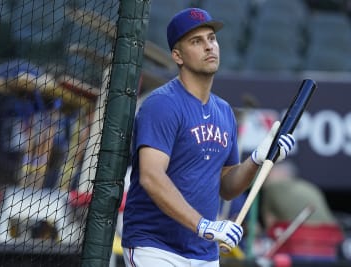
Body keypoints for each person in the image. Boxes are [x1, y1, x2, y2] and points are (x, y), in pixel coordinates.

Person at [121, 7, 295, 267]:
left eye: (212, 38)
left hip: (203, 252)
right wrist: (204, 226)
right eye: (196, 41)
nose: (209, 46)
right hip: (155, 247)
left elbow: (227, 187)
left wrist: (258, 159)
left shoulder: (224, 111)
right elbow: (151, 176)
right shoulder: (162, 104)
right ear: (177, 56)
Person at [261, 161, 344, 261]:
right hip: (328, 246)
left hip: (294, 247)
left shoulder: (271, 188)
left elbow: (270, 224)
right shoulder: (311, 188)